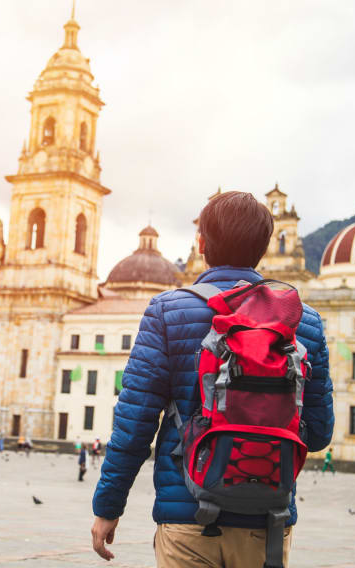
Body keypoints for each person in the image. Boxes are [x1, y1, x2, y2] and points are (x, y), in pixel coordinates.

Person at [91, 192, 334, 566]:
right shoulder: (305, 321)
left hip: (187, 517)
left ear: (201, 244)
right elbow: (318, 433)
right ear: (264, 247)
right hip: (268, 520)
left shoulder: (165, 311)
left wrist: (108, 505)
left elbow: (134, 421)